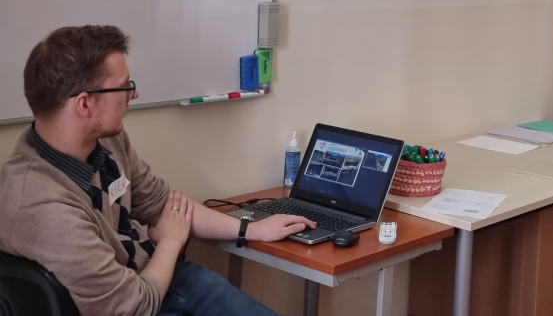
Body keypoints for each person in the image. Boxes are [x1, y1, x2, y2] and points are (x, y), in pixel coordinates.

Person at [0, 26, 317, 316]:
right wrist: (171, 242)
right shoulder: (41, 205)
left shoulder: (105, 138)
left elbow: (161, 203)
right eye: (124, 87)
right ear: (85, 104)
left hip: (162, 279)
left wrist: (251, 229)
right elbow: (133, 306)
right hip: (139, 302)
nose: (134, 94)